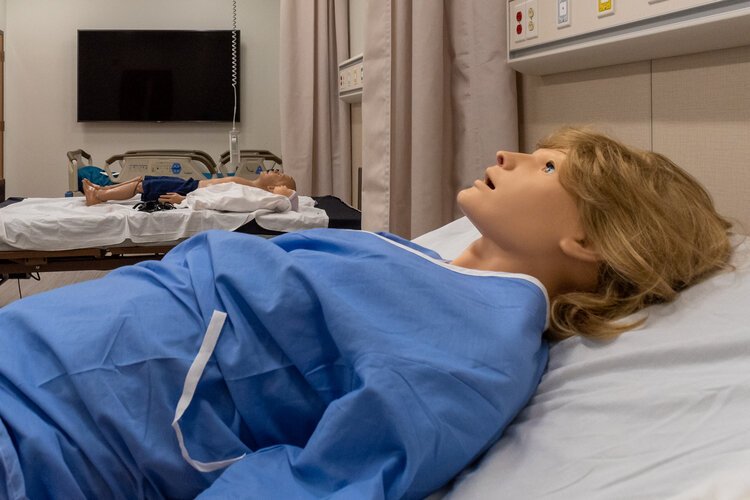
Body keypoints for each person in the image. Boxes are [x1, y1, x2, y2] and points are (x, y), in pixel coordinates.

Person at [0, 127, 732, 499]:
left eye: (545, 167)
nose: (507, 153)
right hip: (31, 360)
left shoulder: (474, 355)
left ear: (589, 239)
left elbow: (321, 483)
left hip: (52, 433)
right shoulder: (420, 265)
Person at [82, 171, 298, 207]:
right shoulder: (248, 184)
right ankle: (103, 188)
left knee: (142, 186)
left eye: (279, 173)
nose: (275, 169)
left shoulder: (249, 191)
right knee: (143, 179)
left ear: (272, 186)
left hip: (190, 190)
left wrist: (184, 200)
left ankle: (99, 196)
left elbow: (220, 202)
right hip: (191, 185)